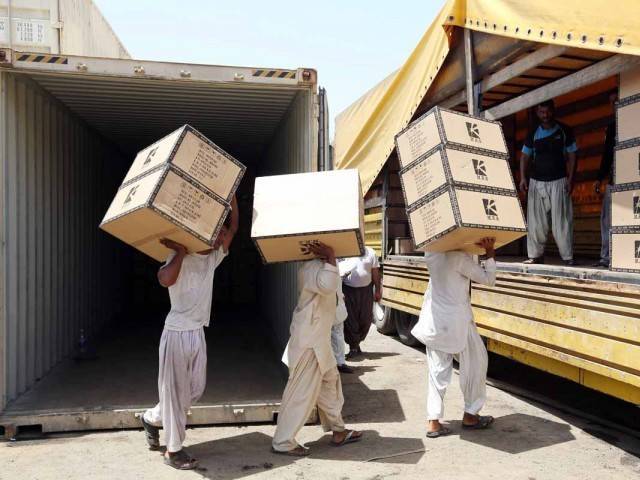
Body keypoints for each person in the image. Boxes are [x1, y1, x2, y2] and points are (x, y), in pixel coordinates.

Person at [140, 196, 239, 470]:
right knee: (174, 393)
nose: (221, 236)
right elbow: (164, 280)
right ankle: (174, 451)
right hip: (175, 333)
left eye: (221, 233)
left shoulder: (213, 259)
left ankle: (151, 418)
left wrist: (231, 200)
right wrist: (181, 252)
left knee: (193, 390)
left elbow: (233, 229)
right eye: (216, 232)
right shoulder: (179, 256)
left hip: (197, 333)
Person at [272, 242, 362, 456]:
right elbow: (328, 286)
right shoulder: (312, 268)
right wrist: (331, 257)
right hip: (309, 342)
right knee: (300, 392)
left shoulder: (322, 266)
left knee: (330, 384)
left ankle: (338, 431)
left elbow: (335, 303)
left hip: (318, 340)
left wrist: (331, 261)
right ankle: (283, 442)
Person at [411, 238, 497, 438]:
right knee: (476, 363)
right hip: (458, 323)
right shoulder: (459, 258)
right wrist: (490, 252)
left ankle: (433, 422)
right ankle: (471, 415)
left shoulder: (431, 254)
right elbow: (489, 280)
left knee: (437, 372)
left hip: (435, 321)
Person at [519, 99, 578, 266]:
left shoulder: (565, 130)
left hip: (559, 181)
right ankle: (535, 256)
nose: (545, 115)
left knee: (563, 221)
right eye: (542, 112)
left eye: (548, 112)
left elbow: (573, 155)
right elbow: (524, 156)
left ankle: (568, 257)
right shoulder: (532, 133)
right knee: (536, 222)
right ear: (538, 113)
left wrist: (571, 179)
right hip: (536, 182)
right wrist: (523, 178)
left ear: (553, 110)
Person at [339, 247, 382, 358]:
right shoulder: (345, 251)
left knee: (366, 319)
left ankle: (357, 342)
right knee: (350, 319)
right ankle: (353, 346)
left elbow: (375, 273)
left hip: (366, 290)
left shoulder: (371, 252)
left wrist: (377, 290)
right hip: (348, 290)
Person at [594, 93, 618, 268]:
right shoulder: (612, 127)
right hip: (613, 179)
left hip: (631, 180)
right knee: (607, 219)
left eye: (617, 100)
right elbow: (607, 155)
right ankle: (606, 257)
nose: (615, 105)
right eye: (612, 103)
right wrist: (599, 178)